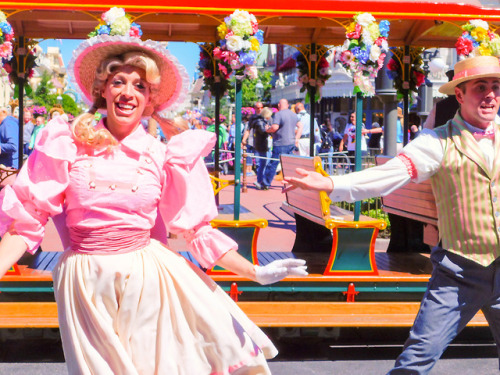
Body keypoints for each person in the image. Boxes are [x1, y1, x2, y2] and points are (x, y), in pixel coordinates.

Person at [0, 9, 307, 374]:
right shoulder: (66, 143)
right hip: (83, 283)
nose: (128, 92)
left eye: (140, 86)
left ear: (150, 99)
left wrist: (254, 271)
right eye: (118, 82)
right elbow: (28, 218)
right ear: (102, 90)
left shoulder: (164, 155)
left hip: (146, 278)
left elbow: (196, 230)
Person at [283, 54, 500, 374]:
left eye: (496, 86)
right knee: (417, 359)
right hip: (459, 271)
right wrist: (331, 183)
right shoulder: (437, 142)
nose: (491, 95)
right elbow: (388, 176)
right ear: (460, 94)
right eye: (481, 87)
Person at [261, 98, 300, 189]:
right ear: (287, 105)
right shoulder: (294, 115)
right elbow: (300, 126)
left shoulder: (278, 114)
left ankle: (266, 183)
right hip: (291, 142)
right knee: (288, 165)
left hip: (280, 142)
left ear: (279, 105)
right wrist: (297, 138)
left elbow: (275, 127)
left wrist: (267, 129)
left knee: (273, 164)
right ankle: (289, 183)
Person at [250, 107, 272, 190]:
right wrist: (268, 129)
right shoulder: (259, 121)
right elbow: (263, 131)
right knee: (264, 163)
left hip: (263, 144)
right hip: (261, 145)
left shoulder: (262, 121)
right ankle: (260, 181)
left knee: (264, 163)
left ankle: (260, 180)